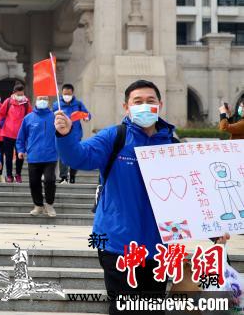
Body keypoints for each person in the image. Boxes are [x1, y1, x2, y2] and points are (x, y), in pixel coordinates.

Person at [53, 79, 231, 314]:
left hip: (159, 248)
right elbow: (78, 157)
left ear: (160, 104)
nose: (144, 106)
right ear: (126, 107)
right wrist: (64, 135)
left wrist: (214, 232)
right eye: (137, 102)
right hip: (117, 245)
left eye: (150, 101)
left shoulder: (172, 145)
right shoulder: (114, 137)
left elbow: (190, 199)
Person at [16, 95, 58, 217]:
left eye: (45, 99)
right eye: (40, 99)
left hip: (50, 155)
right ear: (36, 101)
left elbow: (63, 132)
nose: (42, 101)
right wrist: (20, 150)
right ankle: (38, 205)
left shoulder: (55, 117)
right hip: (34, 156)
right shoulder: (28, 118)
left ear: (49, 101)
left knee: (50, 180)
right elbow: (21, 137)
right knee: (34, 182)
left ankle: (49, 204)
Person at [52, 83, 91, 184]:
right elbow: (51, 117)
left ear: (72, 93)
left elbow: (87, 114)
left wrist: (86, 117)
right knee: (62, 156)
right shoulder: (57, 104)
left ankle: (72, 175)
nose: (66, 96)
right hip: (62, 134)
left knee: (75, 155)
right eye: (65, 94)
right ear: (62, 93)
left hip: (75, 134)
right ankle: (63, 176)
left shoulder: (78, 104)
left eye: (68, 94)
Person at [0, 83, 31, 183]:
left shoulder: (26, 103)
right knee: (9, 155)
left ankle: (18, 174)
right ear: (14, 93)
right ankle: (9, 175)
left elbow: (30, 117)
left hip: (21, 135)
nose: (20, 97)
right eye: (18, 95)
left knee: (20, 155)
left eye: (22, 94)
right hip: (8, 133)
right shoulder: (8, 102)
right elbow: (0, 114)